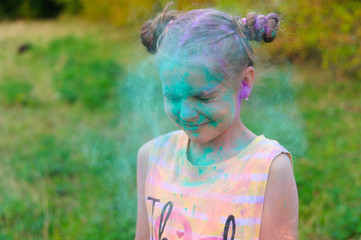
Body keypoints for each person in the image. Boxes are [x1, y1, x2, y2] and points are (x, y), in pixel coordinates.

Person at [136, 2, 298, 239]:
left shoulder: (269, 169)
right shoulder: (152, 158)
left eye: (203, 97)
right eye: (172, 96)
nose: (187, 113)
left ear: (244, 82)